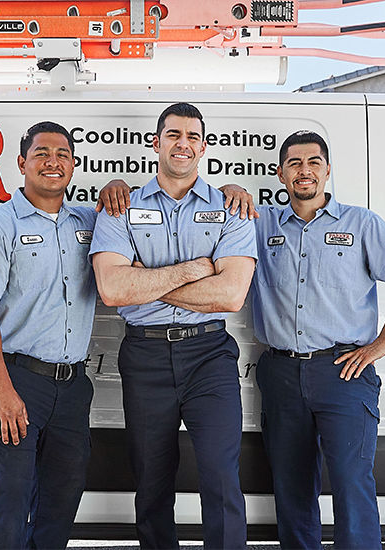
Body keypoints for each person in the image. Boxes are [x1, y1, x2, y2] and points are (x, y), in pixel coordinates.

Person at [249, 130, 385, 550]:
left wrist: (382, 343)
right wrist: (232, 189)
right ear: (280, 174)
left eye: (313, 162)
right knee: (292, 491)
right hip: (281, 372)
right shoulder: (263, 225)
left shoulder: (361, 223)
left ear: (327, 170)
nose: (304, 171)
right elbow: (219, 214)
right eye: (294, 163)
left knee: (352, 488)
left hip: (343, 372)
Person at [89, 103, 257, 550]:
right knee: (151, 480)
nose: (182, 144)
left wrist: (145, 280)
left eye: (192, 136)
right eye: (173, 134)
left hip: (210, 355)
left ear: (203, 145)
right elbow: (111, 289)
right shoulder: (118, 206)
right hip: (144, 356)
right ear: (156, 142)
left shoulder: (232, 208)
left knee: (221, 476)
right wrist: (192, 271)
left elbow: (230, 296)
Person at [0, 121, 101, 550]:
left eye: (61, 154)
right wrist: (1, 389)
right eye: (41, 154)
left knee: (60, 501)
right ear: (22, 163)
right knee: (9, 500)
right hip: (17, 382)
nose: (52, 162)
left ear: (73, 164)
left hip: (72, 388)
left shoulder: (88, 223)